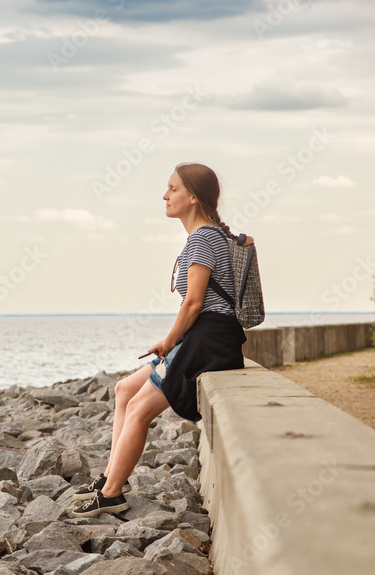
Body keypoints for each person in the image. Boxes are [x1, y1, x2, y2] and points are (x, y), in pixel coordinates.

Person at [71, 163, 252, 518]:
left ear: (193, 197)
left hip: (209, 338)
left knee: (139, 409)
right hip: (204, 334)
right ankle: (113, 478)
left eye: (172, 189)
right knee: (125, 390)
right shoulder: (207, 235)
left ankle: (111, 495)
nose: (165, 196)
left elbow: (195, 302)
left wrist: (169, 342)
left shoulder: (202, 238)